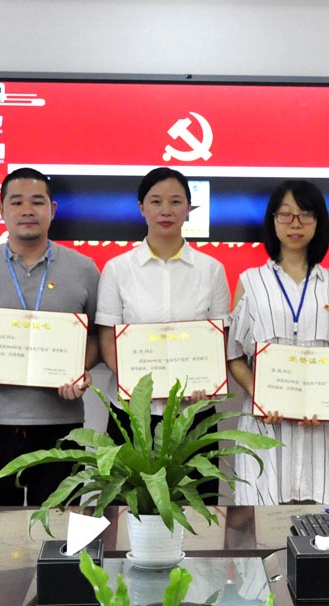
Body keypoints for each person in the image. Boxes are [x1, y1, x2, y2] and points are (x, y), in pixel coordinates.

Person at [0, 167, 100, 506]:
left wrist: (80, 367)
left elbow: (97, 336)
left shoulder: (84, 269)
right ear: (1, 210)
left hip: (62, 424)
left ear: (52, 210)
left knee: (58, 527)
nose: (27, 210)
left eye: (37, 202)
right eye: (16, 202)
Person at [95, 167, 230, 504]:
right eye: (156, 201)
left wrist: (207, 380)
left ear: (189, 209)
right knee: (127, 512)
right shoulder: (118, 269)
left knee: (198, 511)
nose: (165, 210)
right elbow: (108, 339)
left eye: (175, 201)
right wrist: (138, 386)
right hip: (133, 415)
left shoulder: (212, 270)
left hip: (193, 413)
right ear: (142, 208)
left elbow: (219, 340)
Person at [227, 180, 329, 505]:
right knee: (260, 522)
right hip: (264, 425)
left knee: (322, 523)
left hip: (320, 429)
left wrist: (328, 401)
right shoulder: (250, 282)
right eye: (285, 214)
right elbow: (234, 355)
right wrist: (259, 393)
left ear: (318, 221)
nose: (295, 224)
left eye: (305, 215)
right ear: (272, 220)